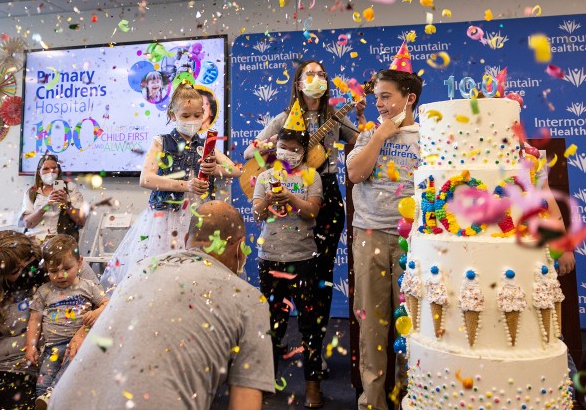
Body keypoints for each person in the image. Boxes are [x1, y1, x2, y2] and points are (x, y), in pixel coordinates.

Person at [48, 201, 275, 410]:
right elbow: (245, 401)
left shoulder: (142, 268)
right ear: (240, 247)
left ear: (187, 238)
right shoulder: (249, 299)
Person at [243, 60, 366, 358]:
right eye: (309, 74)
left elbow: (361, 141)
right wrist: (274, 149)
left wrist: (362, 118)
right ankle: (275, 347)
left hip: (324, 194)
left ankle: (315, 349)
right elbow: (249, 152)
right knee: (278, 280)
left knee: (320, 278)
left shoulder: (334, 118)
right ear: (298, 83)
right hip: (287, 193)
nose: (316, 79)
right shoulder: (284, 117)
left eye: (321, 74)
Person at [100, 83, 241, 289]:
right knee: (160, 276)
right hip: (165, 219)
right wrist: (186, 185)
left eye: (197, 115)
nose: (192, 121)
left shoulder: (204, 145)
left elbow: (236, 170)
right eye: (185, 115)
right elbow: (146, 178)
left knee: (195, 276)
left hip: (198, 218)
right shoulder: (162, 142)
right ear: (172, 114)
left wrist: (215, 169)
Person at [346, 45, 423, 410]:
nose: (379, 104)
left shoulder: (429, 137)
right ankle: (372, 401)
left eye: (386, 97)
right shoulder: (366, 135)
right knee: (373, 325)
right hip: (370, 237)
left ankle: (411, 398)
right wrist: (379, 135)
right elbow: (356, 172)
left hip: (413, 243)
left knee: (412, 326)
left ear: (409, 99)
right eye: (376, 97)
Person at [0, 230, 100, 410]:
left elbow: (103, 305)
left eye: (30, 262)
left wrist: (82, 332)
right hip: (14, 369)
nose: (28, 271)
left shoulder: (60, 262)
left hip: (66, 357)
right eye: (17, 270)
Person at [252, 124, 325, 407]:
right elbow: (257, 213)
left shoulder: (312, 176)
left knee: (310, 324)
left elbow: (313, 211)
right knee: (273, 323)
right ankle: (267, 379)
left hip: (303, 259)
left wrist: (292, 199)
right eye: (284, 148)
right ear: (275, 148)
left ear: (304, 152)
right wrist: (270, 198)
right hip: (269, 258)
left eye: (295, 150)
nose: (289, 154)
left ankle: (312, 384)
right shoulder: (264, 177)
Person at [25, 235, 108, 408]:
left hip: (77, 343)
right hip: (51, 346)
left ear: (79, 263)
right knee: (43, 380)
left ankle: (53, 394)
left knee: (68, 371)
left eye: (66, 269)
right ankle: (44, 400)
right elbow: (34, 319)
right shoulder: (44, 291)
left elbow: (107, 303)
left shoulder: (88, 286)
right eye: (54, 271)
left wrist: (97, 312)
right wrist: (31, 345)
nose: (60, 275)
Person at [20, 154, 87, 242]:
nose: (50, 172)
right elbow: (28, 224)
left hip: (61, 243)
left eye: (54, 168)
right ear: (38, 173)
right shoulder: (32, 192)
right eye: (46, 169)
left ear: (58, 170)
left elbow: (81, 221)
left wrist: (66, 205)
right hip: (35, 241)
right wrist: (46, 205)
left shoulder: (70, 188)